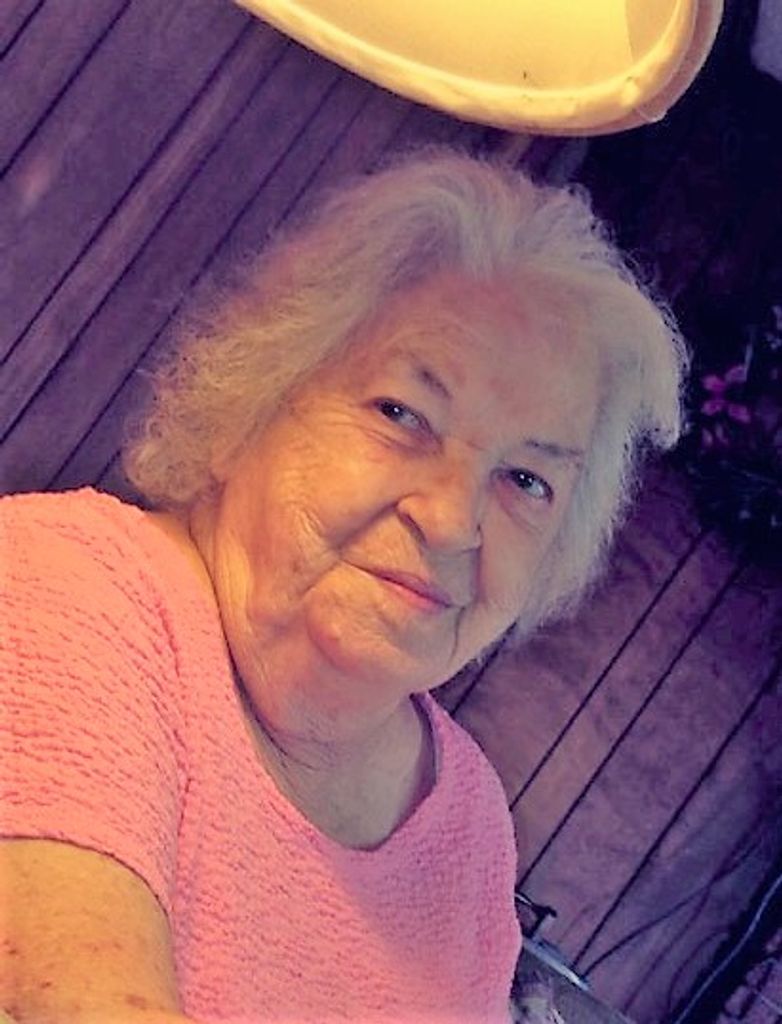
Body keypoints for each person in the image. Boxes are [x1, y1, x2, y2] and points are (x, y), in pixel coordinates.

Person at [0, 145, 687, 1024]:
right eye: (402, 414)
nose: (452, 521)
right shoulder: (63, 588)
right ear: (255, 387)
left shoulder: (466, 821)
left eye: (525, 480)